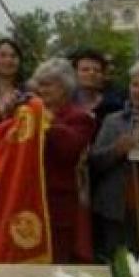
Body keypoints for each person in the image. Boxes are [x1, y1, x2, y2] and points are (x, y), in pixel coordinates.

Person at [30, 57, 96, 264]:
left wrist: (48, 120)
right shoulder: (30, 114)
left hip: (59, 205)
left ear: (64, 87)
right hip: (30, 201)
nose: (41, 89)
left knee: (58, 262)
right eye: (39, 84)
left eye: (47, 84)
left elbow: (70, 149)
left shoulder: (80, 117)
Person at [88, 61, 139, 260]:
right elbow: (94, 162)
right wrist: (117, 150)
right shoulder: (113, 121)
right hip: (116, 208)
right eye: (135, 85)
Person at [70, 47, 124, 132]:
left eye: (97, 70)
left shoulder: (114, 106)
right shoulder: (64, 103)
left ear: (103, 75)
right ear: (74, 74)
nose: (91, 73)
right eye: (85, 70)